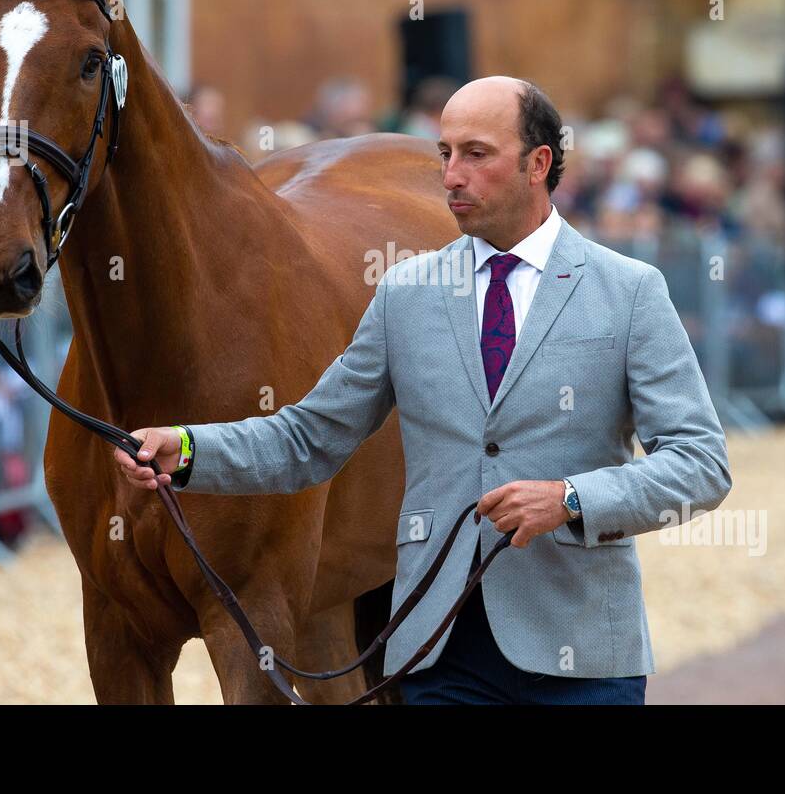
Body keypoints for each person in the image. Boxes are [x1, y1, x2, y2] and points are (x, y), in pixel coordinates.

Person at [113, 76, 731, 705]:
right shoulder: (405, 293)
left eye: (476, 154)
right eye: (445, 153)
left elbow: (701, 464)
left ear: (537, 163)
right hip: (436, 655)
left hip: (582, 656)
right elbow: (311, 437)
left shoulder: (629, 291)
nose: (451, 176)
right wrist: (189, 451)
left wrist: (572, 498)